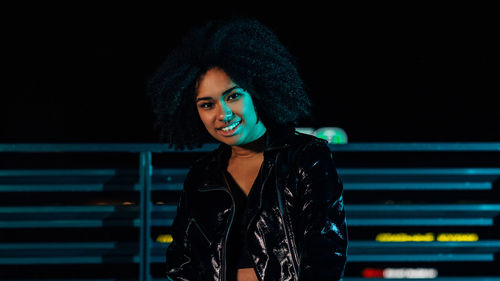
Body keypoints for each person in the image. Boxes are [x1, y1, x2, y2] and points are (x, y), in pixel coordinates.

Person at [147, 17, 348, 281]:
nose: (223, 114)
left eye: (233, 96)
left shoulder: (306, 156)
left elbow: (326, 254)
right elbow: (182, 262)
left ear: (257, 90)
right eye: (207, 104)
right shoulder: (201, 176)